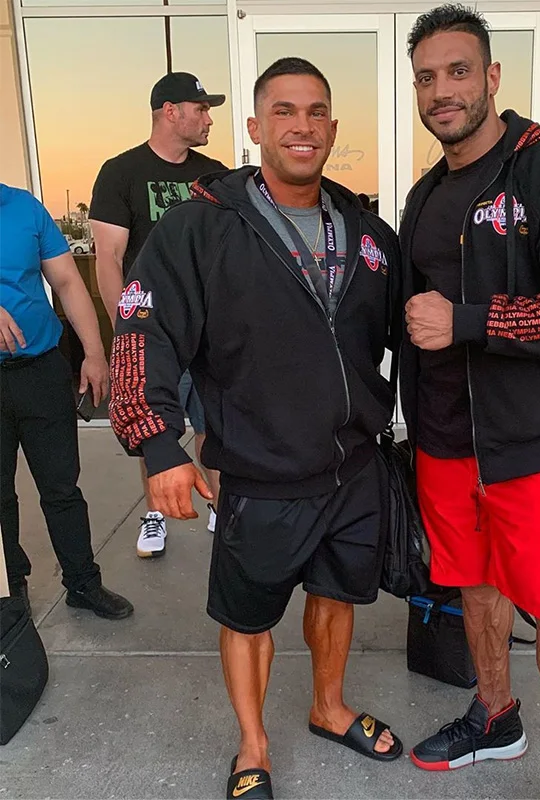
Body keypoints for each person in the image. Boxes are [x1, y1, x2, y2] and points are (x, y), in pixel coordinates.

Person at [108, 58, 402, 800]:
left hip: (352, 467)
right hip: (261, 470)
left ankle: (329, 707)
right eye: (284, 111)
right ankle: (253, 743)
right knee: (248, 618)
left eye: (316, 112)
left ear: (332, 127)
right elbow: (143, 332)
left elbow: (407, 335)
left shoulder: (368, 231)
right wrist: (158, 444)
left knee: (337, 596)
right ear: (254, 127)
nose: (302, 126)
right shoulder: (200, 226)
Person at [398, 6, 540, 799]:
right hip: (442, 436)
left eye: (458, 71)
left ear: (492, 77)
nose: (442, 91)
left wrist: (469, 322)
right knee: (473, 583)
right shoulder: (425, 194)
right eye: (427, 77)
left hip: (531, 441)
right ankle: (495, 714)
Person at [89, 71, 226, 557]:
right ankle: (155, 515)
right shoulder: (121, 172)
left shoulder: (214, 175)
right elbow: (108, 259)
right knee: (155, 425)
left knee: (214, 425)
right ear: (171, 111)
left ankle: (222, 509)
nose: (209, 119)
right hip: (154, 329)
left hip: (209, 330)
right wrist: (126, 335)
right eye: (201, 109)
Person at [0, 184, 133, 620]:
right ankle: (9, 588)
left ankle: (82, 583)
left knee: (62, 487)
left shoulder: (24, 207)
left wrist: (94, 353)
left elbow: (67, 281)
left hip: (40, 370)